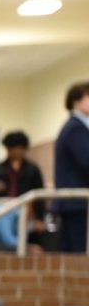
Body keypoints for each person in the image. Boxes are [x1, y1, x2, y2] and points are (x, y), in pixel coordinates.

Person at [54, 82, 89, 253]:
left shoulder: (77, 127)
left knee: (70, 252)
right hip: (76, 203)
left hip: (74, 203)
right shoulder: (76, 128)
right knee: (77, 253)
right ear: (76, 101)